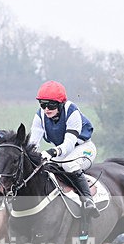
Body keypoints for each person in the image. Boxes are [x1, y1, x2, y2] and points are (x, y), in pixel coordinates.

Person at [28, 80, 99, 217]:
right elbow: (33, 143)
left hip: (84, 148)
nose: (46, 109)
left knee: (69, 165)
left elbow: (69, 144)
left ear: (60, 104)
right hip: (63, 152)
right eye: (43, 105)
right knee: (45, 166)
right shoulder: (40, 116)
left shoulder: (72, 112)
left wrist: (52, 152)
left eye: (51, 105)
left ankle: (88, 199)